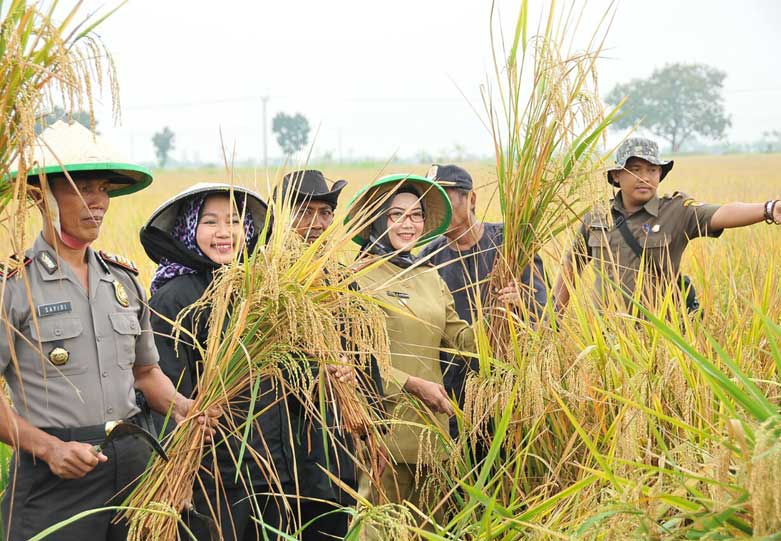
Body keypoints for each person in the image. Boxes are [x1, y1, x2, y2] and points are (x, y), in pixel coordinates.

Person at [0, 121, 216, 541]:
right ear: (41, 195)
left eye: (103, 190)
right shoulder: (14, 287)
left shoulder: (123, 281)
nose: (97, 202)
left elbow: (145, 372)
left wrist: (181, 406)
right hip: (53, 480)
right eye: (82, 189)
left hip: (131, 468)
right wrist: (50, 449)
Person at [140, 183, 285, 541]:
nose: (224, 233)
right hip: (209, 476)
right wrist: (178, 474)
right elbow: (164, 393)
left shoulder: (259, 292)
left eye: (235, 221)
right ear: (189, 229)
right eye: (210, 222)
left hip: (267, 472)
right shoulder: (174, 298)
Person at [345, 173, 476, 514]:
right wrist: (414, 385)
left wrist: (501, 315)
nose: (409, 224)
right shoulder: (356, 278)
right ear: (377, 220)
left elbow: (461, 340)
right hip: (382, 437)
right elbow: (355, 363)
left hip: (432, 439)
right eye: (397, 215)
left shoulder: (429, 275)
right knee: (381, 529)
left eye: (416, 215)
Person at [278, 169, 386, 540]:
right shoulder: (263, 283)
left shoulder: (343, 283)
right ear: (282, 218)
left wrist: (372, 428)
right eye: (304, 212)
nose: (315, 223)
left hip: (336, 450)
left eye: (324, 213)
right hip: (279, 452)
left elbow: (366, 358)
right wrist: (313, 372)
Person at [553, 137, 781, 312]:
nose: (645, 177)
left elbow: (723, 212)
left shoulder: (676, 211)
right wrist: (553, 320)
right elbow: (572, 265)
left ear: (660, 174)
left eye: (652, 170)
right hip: (605, 335)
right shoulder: (597, 216)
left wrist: (769, 209)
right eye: (635, 170)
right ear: (616, 176)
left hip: (661, 336)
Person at [419, 164, 547, 436]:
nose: (437, 209)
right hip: (451, 393)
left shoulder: (511, 243)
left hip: (510, 387)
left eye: (445, 198)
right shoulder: (427, 259)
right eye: (431, 202)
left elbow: (545, 317)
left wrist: (521, 304)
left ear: (472, 199)